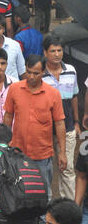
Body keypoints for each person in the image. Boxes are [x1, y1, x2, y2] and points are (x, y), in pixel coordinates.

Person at [4, 54, 67, 199]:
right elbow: (8, 116)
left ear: (44, 72)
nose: (31, 76)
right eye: (29, 72)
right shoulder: (14, 89)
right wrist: (5, 143)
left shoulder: (53, 94)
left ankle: (43, 221)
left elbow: (59, 123)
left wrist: (62, 152)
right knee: (18, 192)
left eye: (36, 73)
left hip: (42, 155)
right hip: (17, 153)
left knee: (44, 194)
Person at [42, 34, 80, 200]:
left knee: (68, 168)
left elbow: (74, 97)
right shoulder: (40, 74)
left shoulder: (70, 70)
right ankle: (47, 205)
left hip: (69, 127)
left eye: (59, 50)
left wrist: (77, 122)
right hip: (46, 130)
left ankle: (68, 206)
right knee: (46, 167)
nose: (57, 54)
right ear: (45, 53)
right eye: (53, 51)